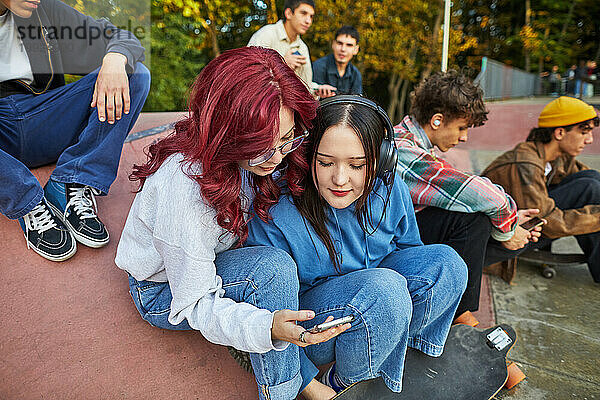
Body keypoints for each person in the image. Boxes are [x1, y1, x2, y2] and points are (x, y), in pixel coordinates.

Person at [115, 47, 350, 400]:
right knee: (272, 270)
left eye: (286, 141)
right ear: (227, 132)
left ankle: (291, 369)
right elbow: (194, 302)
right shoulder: (185, 192)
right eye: (261, 148)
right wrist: (265, 327)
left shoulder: (253, 156)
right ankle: (285, 391)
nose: (276, 158)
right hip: (164, 289)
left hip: (217, 255)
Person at [247, 95, 468, 397]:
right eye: (325, 162)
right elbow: (266, 320)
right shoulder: (276, 210)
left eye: (357, 165)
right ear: (307, 154)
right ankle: (344, 385)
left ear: (381, 160)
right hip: (314, 330)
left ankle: (404, 360)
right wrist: (309, 386)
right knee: (384, 290)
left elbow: (411, 255)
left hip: (381, 301)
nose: (340, 179)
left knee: (447, 264)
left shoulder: (390, 188)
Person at [0, 0, 150, 261]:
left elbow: (120, 36)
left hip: (42, 118)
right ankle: (28, 203)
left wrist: (115, 59)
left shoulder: (43, 9)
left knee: (135, 73)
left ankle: (72, 180)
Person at [393, 70, 541, 324]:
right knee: (474, 219)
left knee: (484, 219)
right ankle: (458, 315)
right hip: (390, 245)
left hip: (404, 232)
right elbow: (472, 191)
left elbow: (466, 194)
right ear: (437, 120)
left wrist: (511, 222)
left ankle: (457, 309)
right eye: (462, 127)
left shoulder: (412, 141)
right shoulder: (402, 147)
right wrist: (507, 225)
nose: (464, 137)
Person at [483, 96, 600, 283]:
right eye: (584, 132)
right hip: (499, 240)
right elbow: (548, 222)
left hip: (533, 226)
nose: (589, 140)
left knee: (593, 179)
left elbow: (588, 177)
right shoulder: (525, 163)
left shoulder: (558, 157)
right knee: (590, 188)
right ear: (560, 133)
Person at [247, 0, 336, 98]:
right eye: (303, 13)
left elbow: (305, 85)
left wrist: (318, 90)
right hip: (260, 106)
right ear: (288, 13)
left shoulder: (303, 48)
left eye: (311, 16)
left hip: (289, 109)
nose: (308, 21)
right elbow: (248, 75)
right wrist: (282, 65)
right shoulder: (266, 35)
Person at [312, 25, 362, 95]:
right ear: (333, 44)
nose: (343, 49)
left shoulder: (356, 74)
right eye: (339, 43)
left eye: (349, 45)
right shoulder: (317, 67)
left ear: (356, 50)